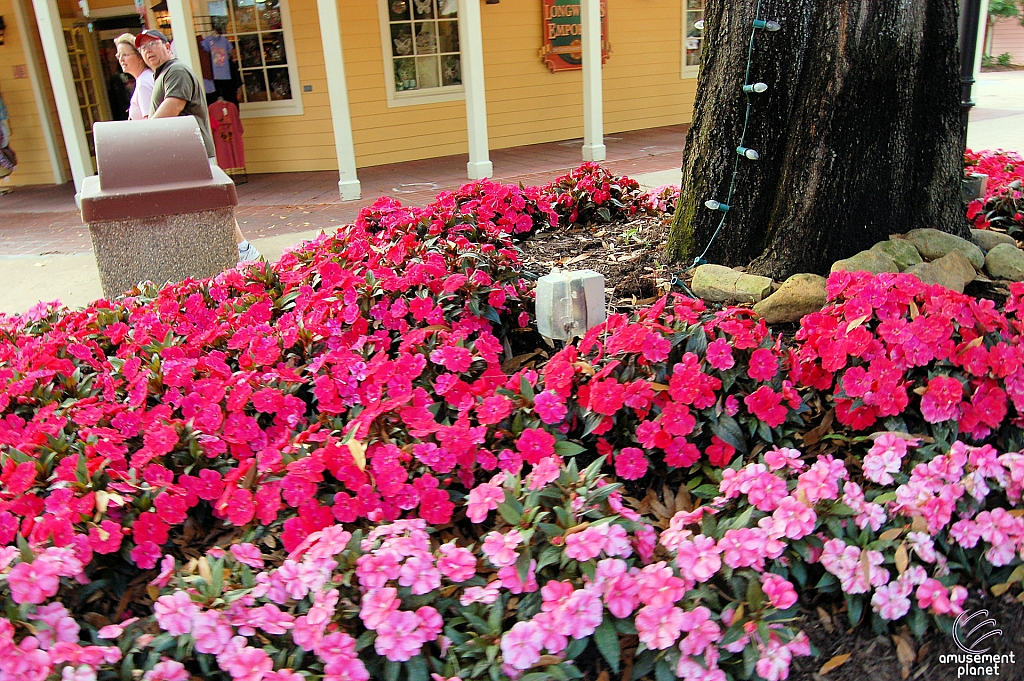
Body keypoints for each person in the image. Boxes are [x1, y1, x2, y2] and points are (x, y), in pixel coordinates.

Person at [135, 28, 262, 262]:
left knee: (212, 203)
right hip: (180, 154)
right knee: (201, 204)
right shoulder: (163, 74)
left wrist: (144, 134)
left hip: (191, 152)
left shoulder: (176, 71)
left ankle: (243, 249)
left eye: (153, 44)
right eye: (143, 48)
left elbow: (173, 107)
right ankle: (226, 250)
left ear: (167, 46)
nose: (148, 50)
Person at [114, 33, 154, 120]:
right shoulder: (144, 78)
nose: (121, 59)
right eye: (118, 56)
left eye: (125, 55)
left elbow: (150, 122)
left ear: (140, 56)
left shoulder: (143, 82)